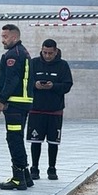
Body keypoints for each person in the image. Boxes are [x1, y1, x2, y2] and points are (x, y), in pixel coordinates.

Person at [0, 23, 34, 190]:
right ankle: (26, 175)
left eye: (5, 37)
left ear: (14, 37)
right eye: (2, 36)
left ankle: (18, 178)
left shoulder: (13, 55)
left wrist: (1, 101)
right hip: (22, 104)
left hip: (15, 105)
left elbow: (12, 80)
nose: (2, 40)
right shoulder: (22, 51)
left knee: (14, 139)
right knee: (17, 138)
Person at [27, 39, 73, 181]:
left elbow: (67, 85)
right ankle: (34, 168)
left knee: (53, 142)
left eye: (50, 53)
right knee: (35, 141)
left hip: (55, 110)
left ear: (56, 51)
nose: (47, 56)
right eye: (45, 52)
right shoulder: (33, 63)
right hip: (36, 109)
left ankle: (52, 168)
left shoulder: (63, 65)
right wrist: (35, 85)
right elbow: (26, 82)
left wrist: (53, 86)